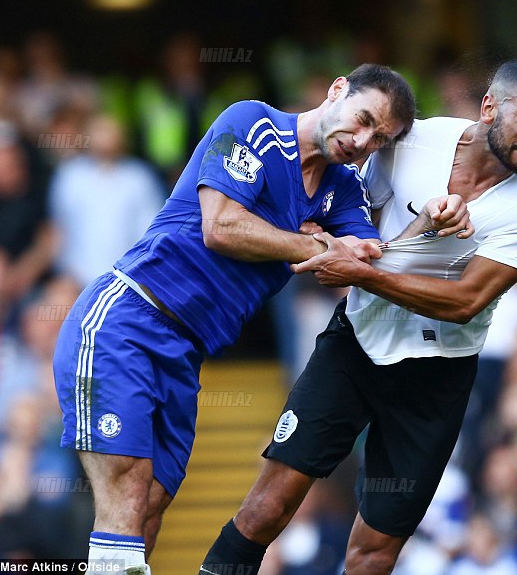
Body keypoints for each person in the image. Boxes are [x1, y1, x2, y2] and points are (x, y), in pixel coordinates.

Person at [199, 59, 517, 575]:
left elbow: (466, 301)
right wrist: (412, 229)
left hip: (438, 374)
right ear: (490, 106)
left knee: (373, 552)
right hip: (355, 342)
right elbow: (351, 225)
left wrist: (358, 273)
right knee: (267, 507)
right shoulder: (410, 141)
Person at [51, 64, 424, 574]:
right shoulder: (253, 122)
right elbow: (221, 226)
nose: (362, 141)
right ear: (337, 90)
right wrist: (316, 241)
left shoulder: (340, 188)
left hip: (186, 353)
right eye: (362, 120)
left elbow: (364, 258)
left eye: (380, 139)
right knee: (127, 488)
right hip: (127, 319)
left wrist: (430, 221)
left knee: (150, 509)